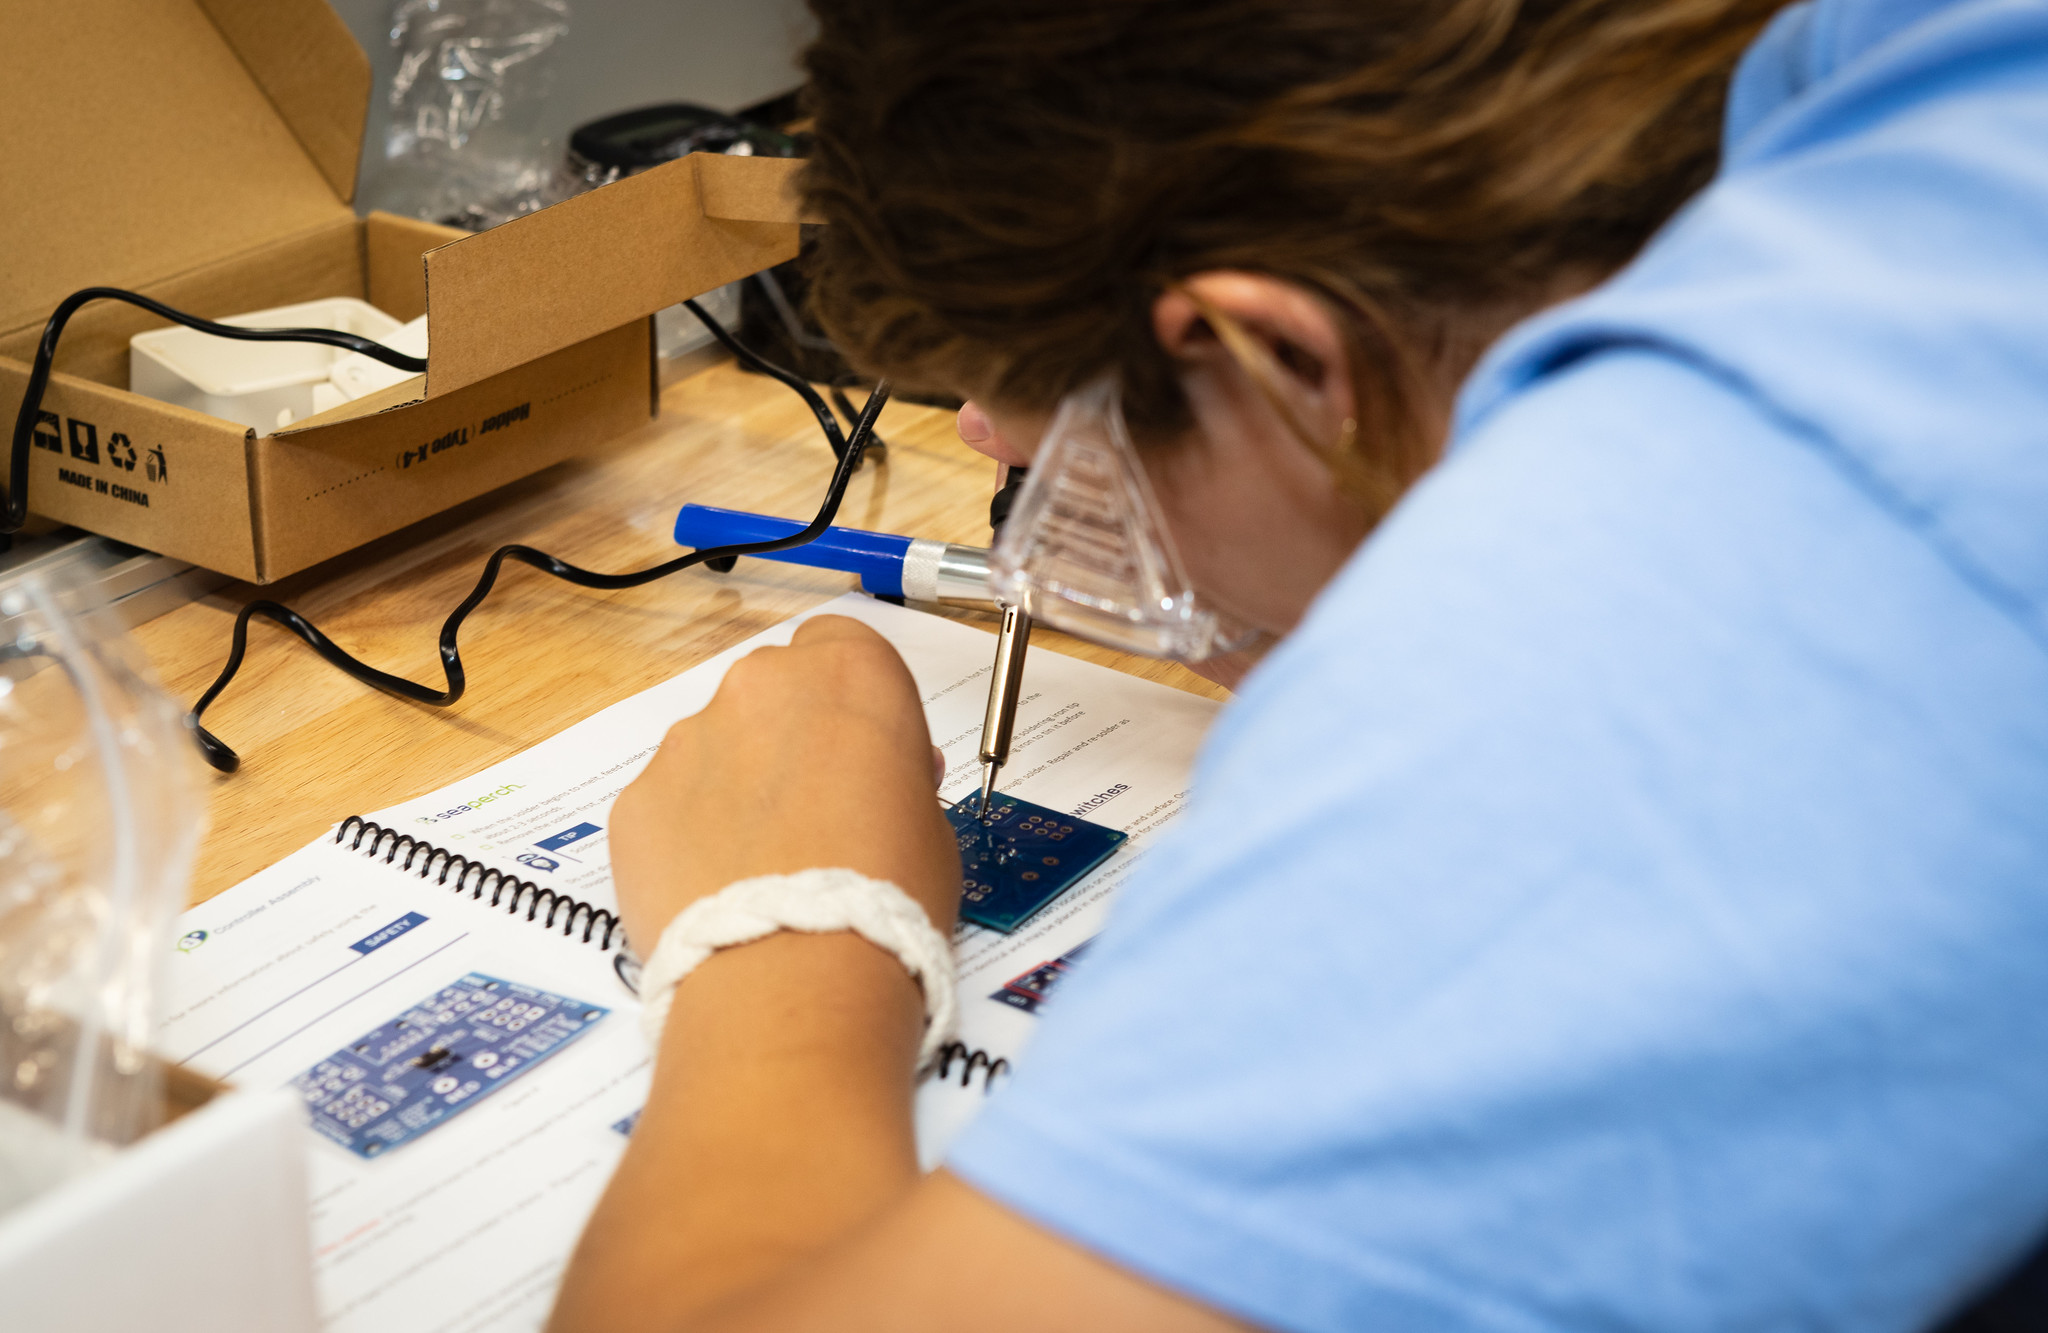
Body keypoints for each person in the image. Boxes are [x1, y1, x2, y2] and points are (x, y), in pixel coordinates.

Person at [549, 0, 2048, 1327]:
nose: (1008, 473)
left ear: (1277, 361)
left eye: (1066, 455)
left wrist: (789, 931)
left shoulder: (1685, 585)